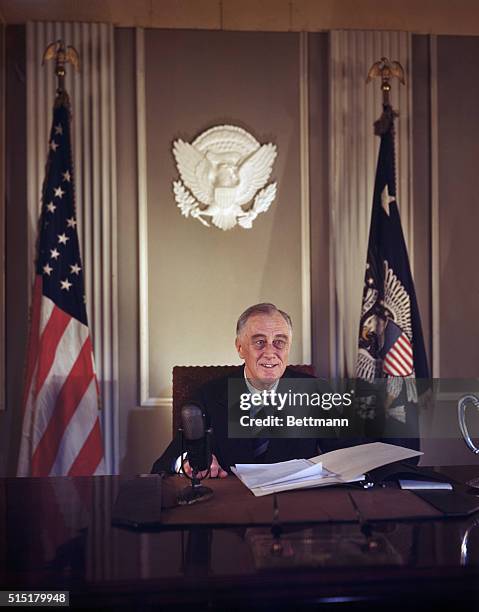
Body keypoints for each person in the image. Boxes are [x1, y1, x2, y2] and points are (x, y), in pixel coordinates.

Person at [151, 303, 331, 476]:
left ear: (288, 347)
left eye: (279, 342)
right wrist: (189, 463)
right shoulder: (209, 395)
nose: (270, 352)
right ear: (240, 348)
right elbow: (167, 461)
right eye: (260, 342)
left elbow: (350, 455)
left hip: (294, 502)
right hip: (231, 502)